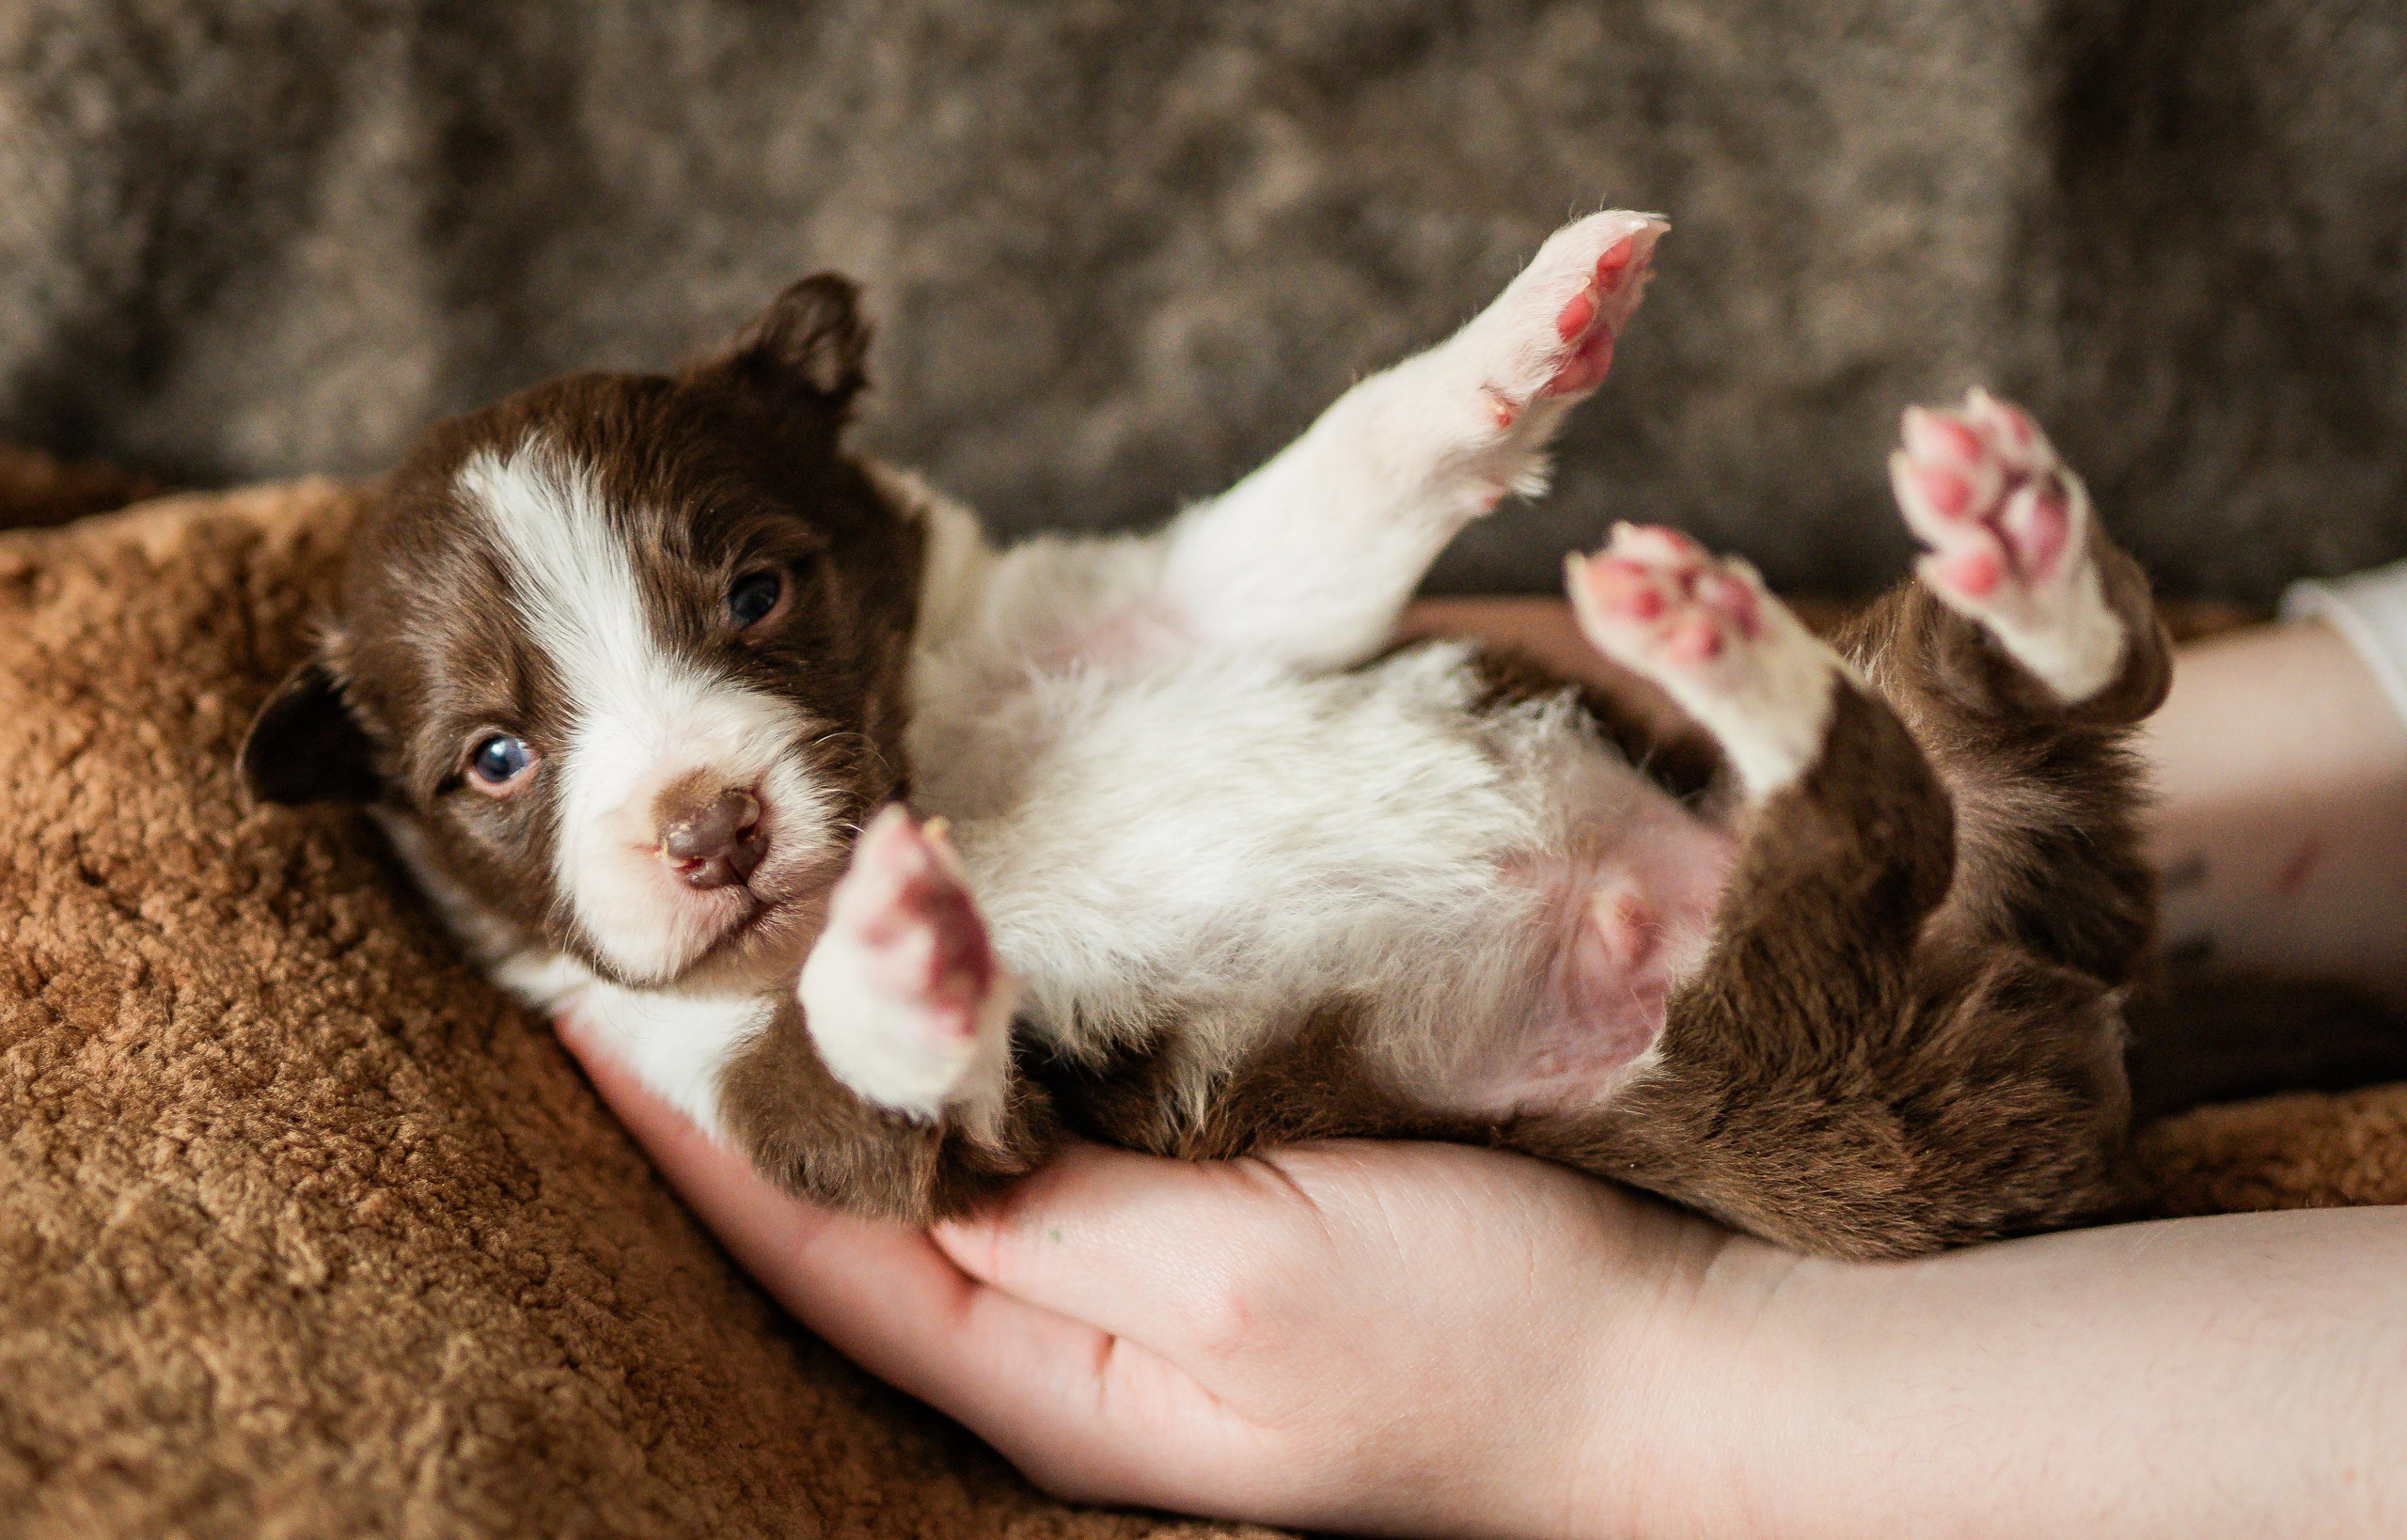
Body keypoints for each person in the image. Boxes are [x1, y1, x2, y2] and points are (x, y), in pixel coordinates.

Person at [557, 562, 2407, 1539]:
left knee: (1906, 885)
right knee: (1934, 829)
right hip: (1735, 982)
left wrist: (1652, 1396)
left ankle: (1933, 748)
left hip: (1754, 1087)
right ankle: (1960, 736)